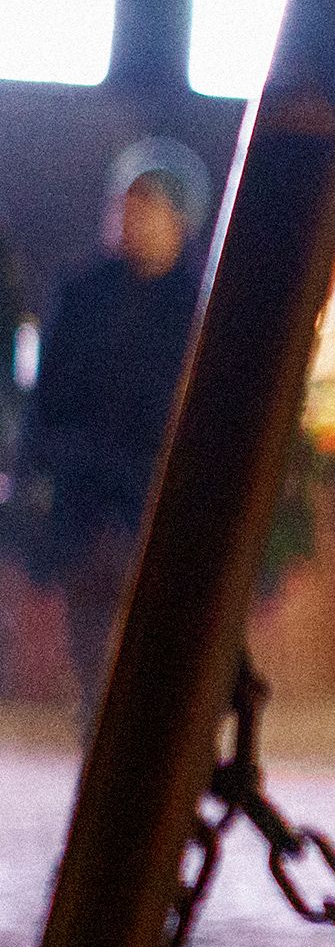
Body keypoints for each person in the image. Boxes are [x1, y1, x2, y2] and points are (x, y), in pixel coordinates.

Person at [25, 138, 207, 718]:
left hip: (154, 508)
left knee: (152, 667)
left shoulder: (197, 309)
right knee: (94, 665)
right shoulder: (83, 295)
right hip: (86, 505)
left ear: (180, 221)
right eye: (123, 204)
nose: (128, 218)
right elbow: (48, 401)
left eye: (145, 205)